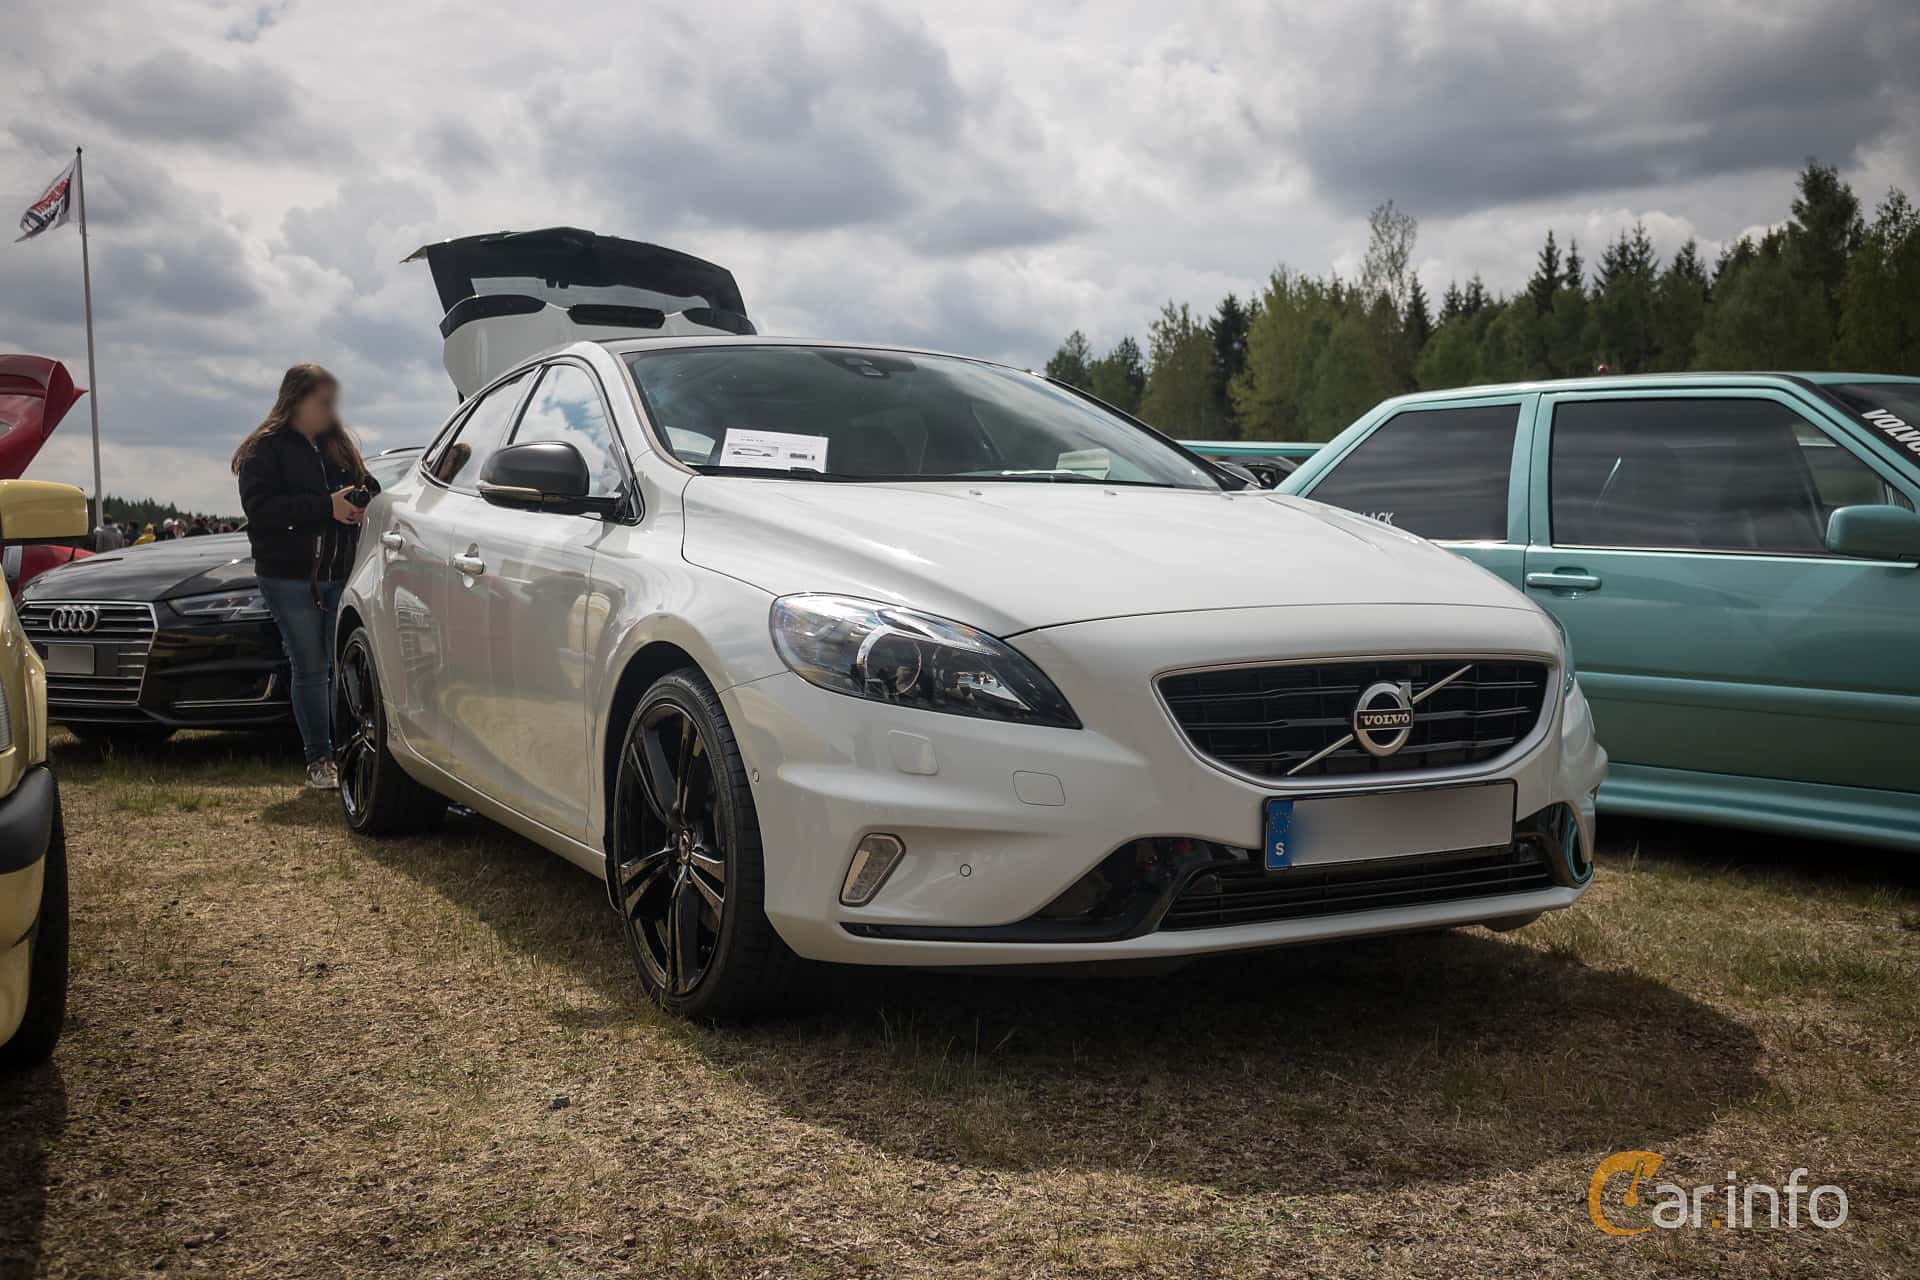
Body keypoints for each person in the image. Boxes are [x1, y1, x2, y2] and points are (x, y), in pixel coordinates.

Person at [233, 363, 379, 790]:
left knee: (341, 664)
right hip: (289, 578)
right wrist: (325, 507)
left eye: (334, 402)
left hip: (341, 573)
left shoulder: (340, 446)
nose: (332, 411)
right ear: (296, 400)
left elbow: (369, 485)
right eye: (324, 402)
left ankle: (350, 751)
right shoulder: (264, 449)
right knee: (312, 668)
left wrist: (363, 502)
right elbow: (261, 511)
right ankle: (320, 759)